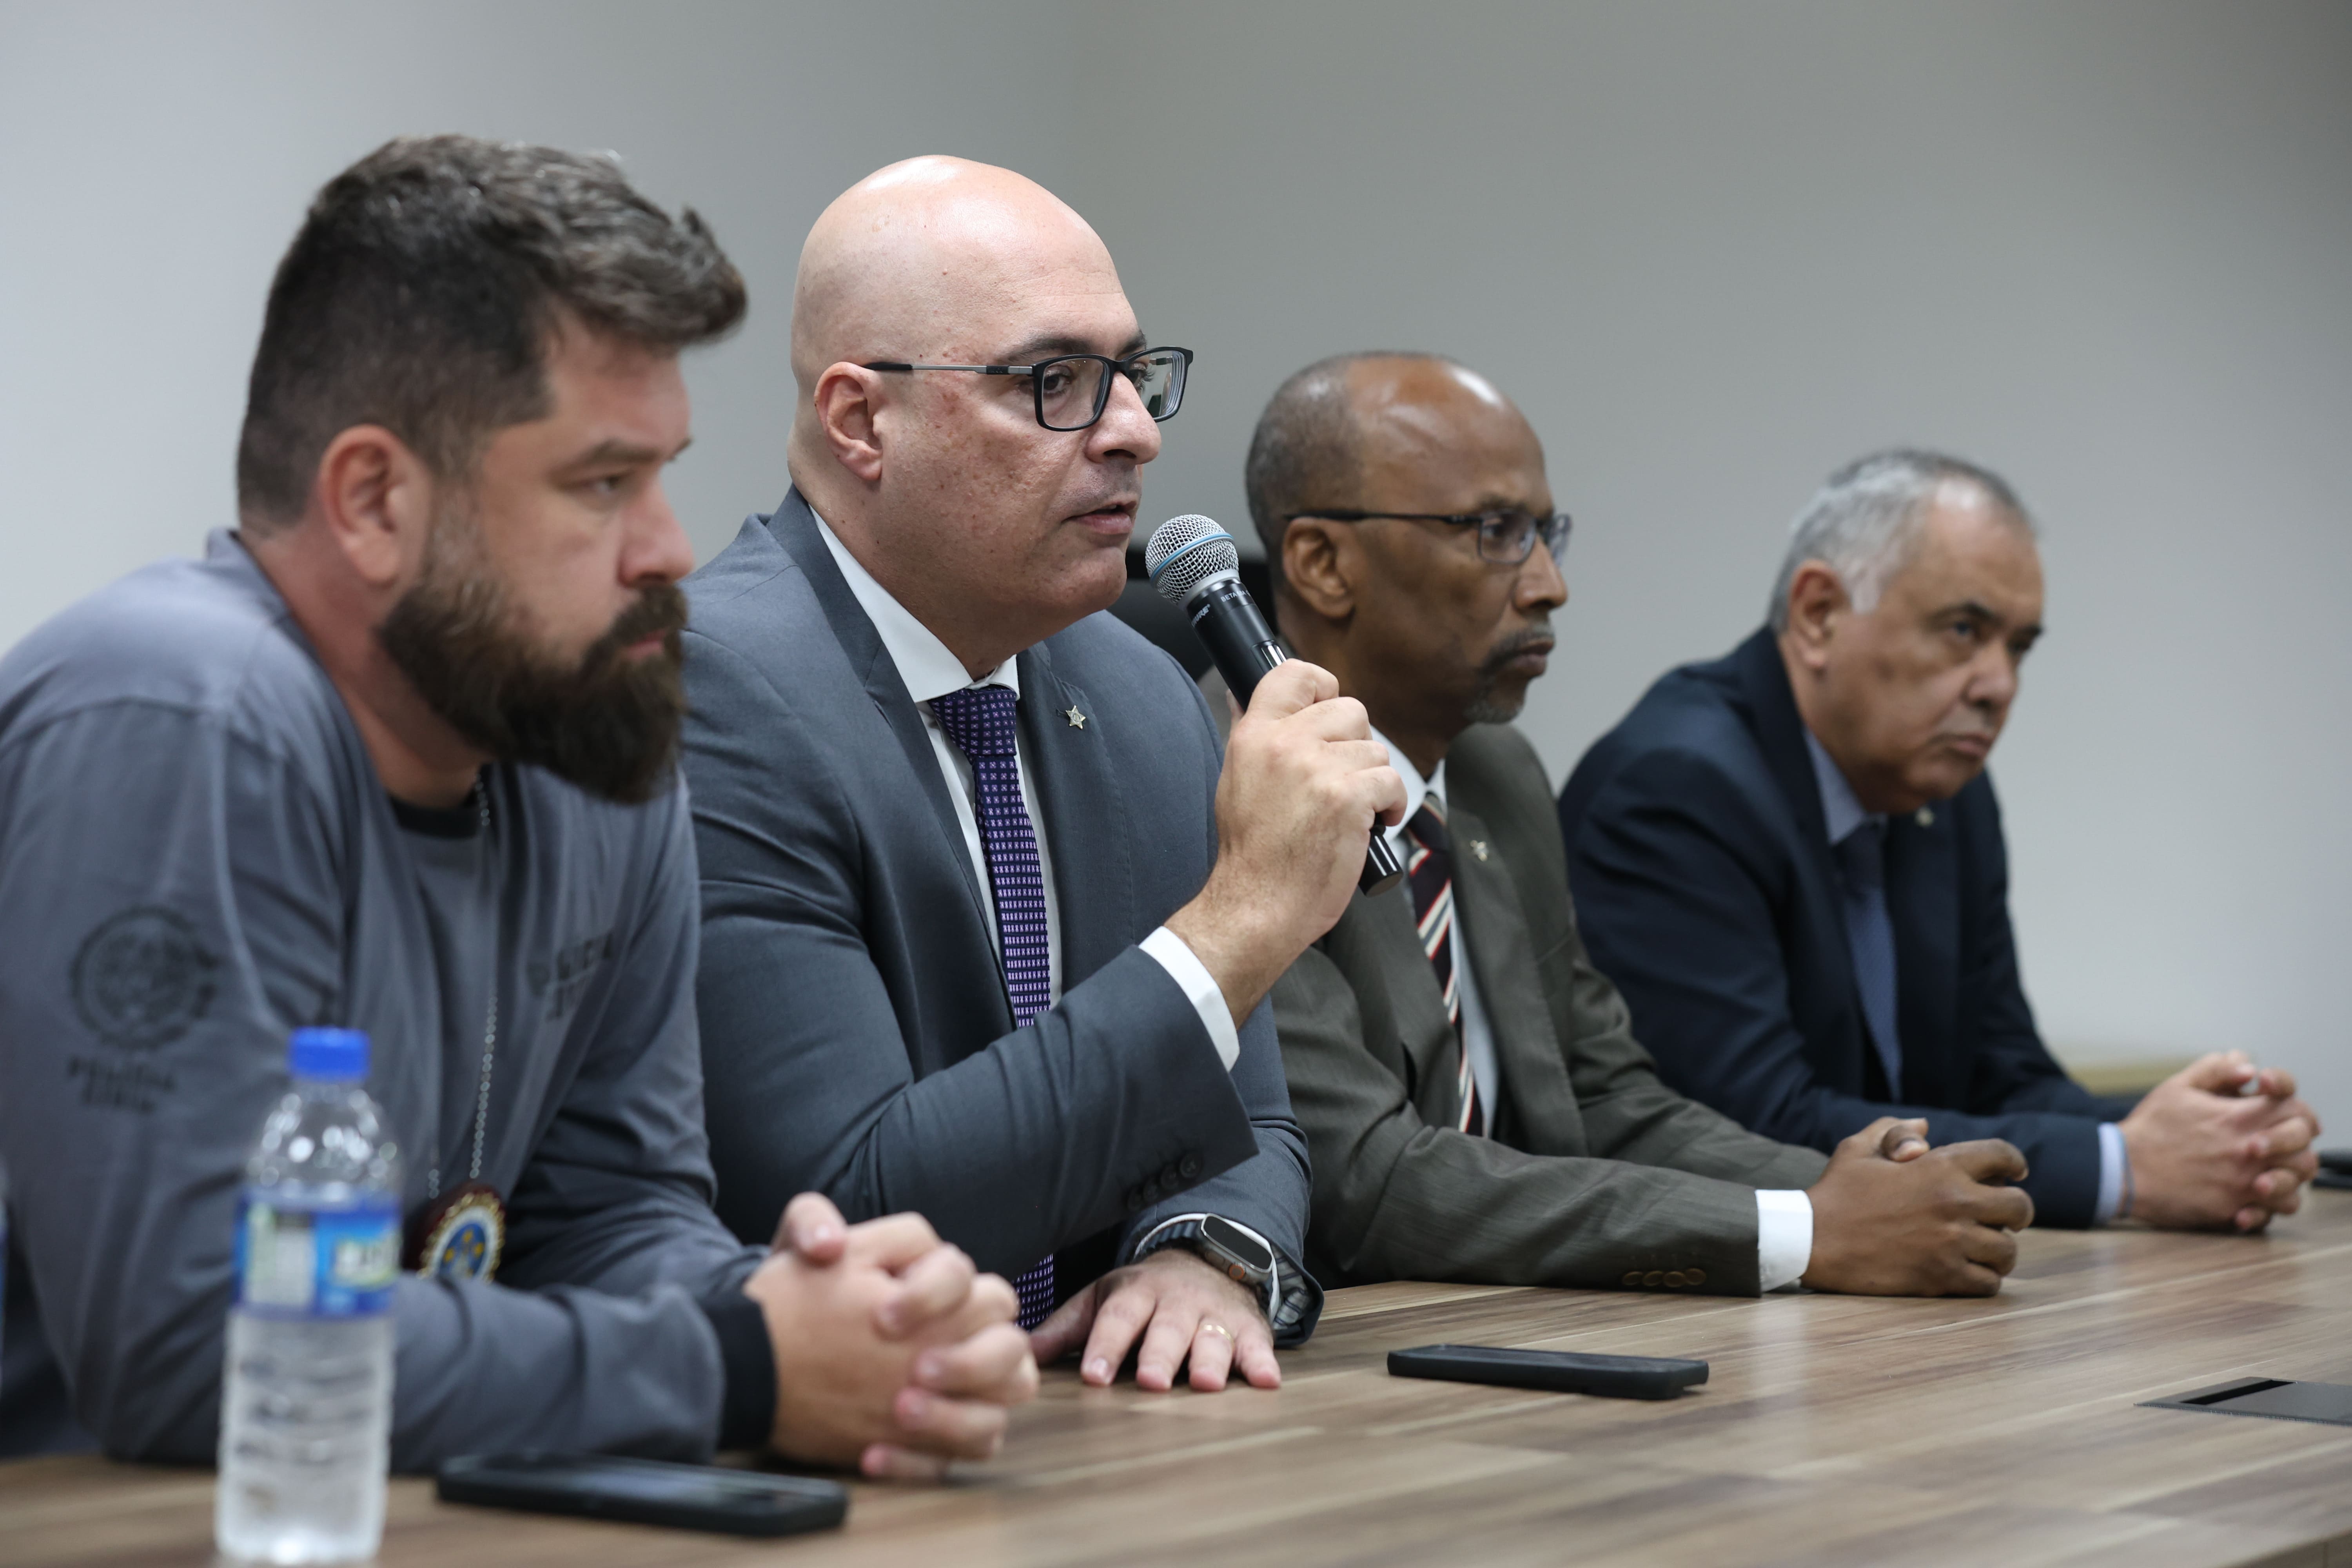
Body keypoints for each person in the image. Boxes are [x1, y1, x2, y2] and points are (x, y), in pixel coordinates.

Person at [0, 136, 1035, 1478]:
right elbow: (201, 1348)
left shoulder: (584, 737)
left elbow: (607, 1219)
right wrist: (741, 1365)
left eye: (662, 472)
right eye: (602, 483)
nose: (669, 545)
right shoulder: (177, 717)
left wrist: (843, 1326)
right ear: (375, 500)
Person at [682, 158, 1404, 1392]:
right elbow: (852, 1201)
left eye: (1133, 375)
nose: (1137, 430)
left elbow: (1249, 1118)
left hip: (1093, 1443)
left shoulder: (1133, 689)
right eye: (1054, 383)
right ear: (862, 421)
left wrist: (1206, 1252)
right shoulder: (711, 685)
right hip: (830, 1446)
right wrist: (1244, 922)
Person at [1251, 352, 2033, 1297]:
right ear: (1323, 564)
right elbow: (1371, 1183)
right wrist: (1799, 1229)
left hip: (1524, 1322)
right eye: (1495, 531)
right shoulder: (1223, 780)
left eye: (1546, 533)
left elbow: (1606, 1095)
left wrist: (1851, 1190)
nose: (1548, 585)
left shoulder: (1498, 776)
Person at [1559, 449, 2319, 1231]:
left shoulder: (1941, 790)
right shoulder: (1677, 785)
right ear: (1819, 612)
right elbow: (1749, 1125)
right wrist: (2123, 1168)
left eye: (2018, 646)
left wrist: (2202, 1136)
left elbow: (2001, 1078)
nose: (1999, 684)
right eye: (1964, 629)